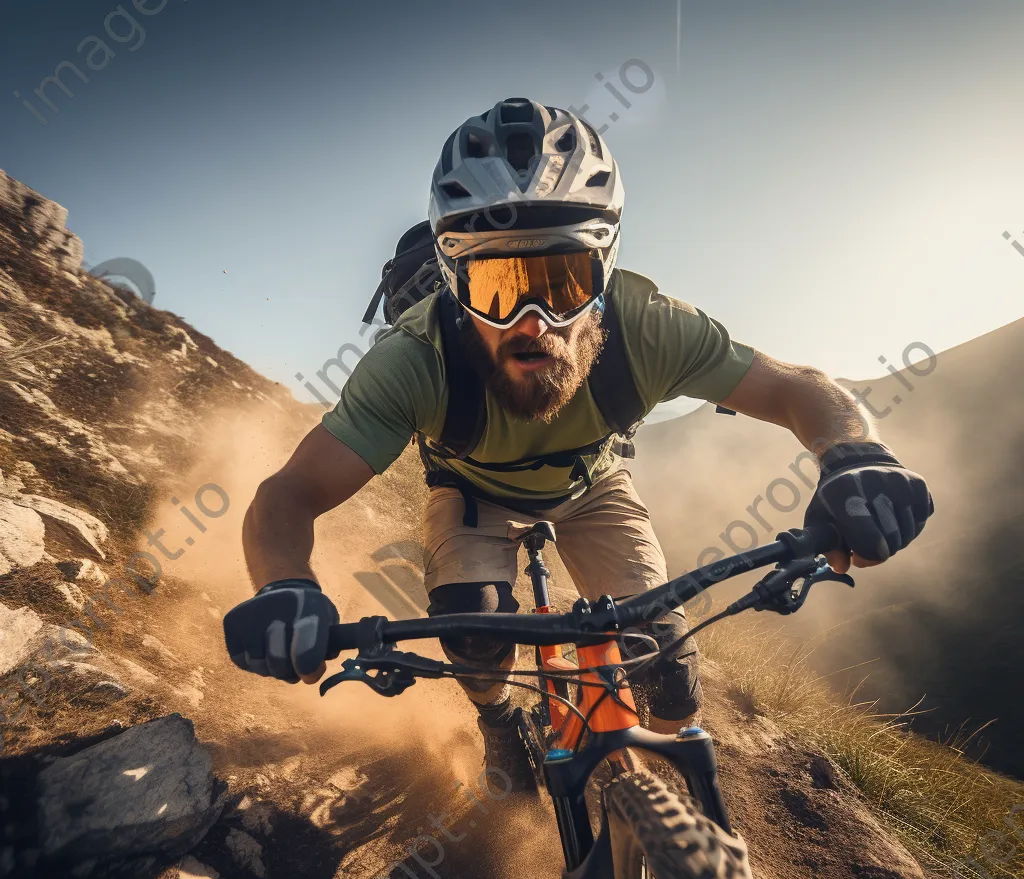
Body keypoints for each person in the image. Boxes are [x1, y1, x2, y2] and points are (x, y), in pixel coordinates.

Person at [224, 97, 933, 790]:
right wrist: (285, 583)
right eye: (499, 285)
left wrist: (856, 454)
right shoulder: (416, 359)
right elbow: (291, 493)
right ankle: (498, 720)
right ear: (451, 280)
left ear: (606, 268)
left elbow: (795, 387)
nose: (536, 323)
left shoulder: (648, 326)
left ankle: (654, 825)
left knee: (672, 677)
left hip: (593, 487)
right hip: (471, 493)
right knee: (477, 638)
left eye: (565, 280)